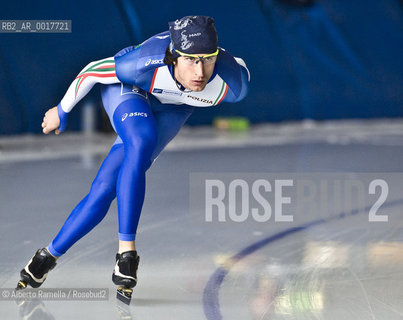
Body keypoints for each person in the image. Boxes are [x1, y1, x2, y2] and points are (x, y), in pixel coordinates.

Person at [17, 16, 250, 294]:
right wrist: (62, 110)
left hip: (174, 108)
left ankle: (45, 258)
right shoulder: (141, 64)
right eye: (190, 60)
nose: (200, 71)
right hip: (131, 90)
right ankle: (126, 254)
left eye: (208, 59)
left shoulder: (232, 84)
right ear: (174, 57)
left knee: (104, 189)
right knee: (141, 141)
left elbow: (235, 66)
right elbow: (92, 71)